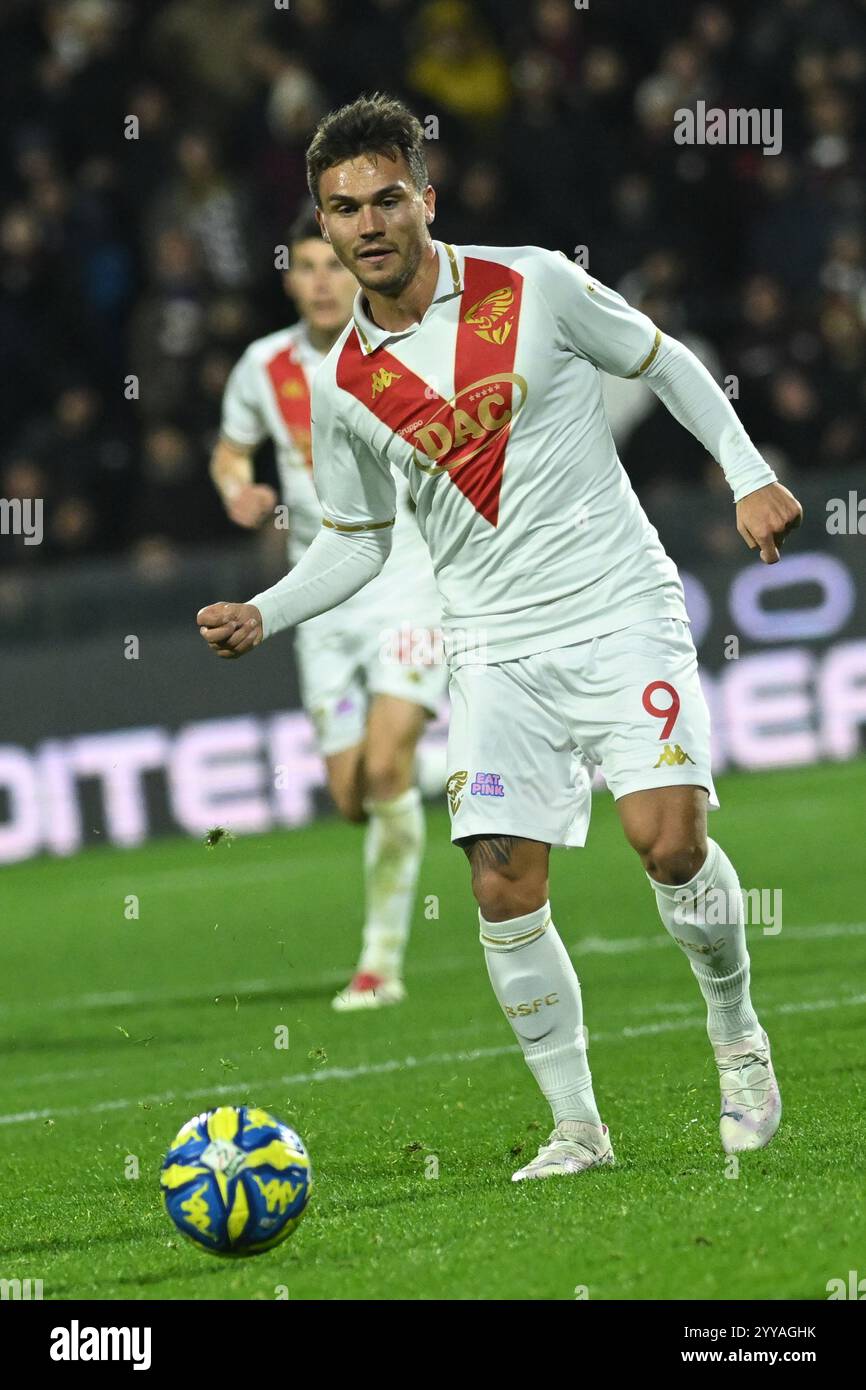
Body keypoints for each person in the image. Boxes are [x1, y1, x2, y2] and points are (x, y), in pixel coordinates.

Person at [198, 94, 803, 1180]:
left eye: (388, 198)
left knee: (667, 841)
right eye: (344, 209)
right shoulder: (344, 385)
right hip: (486, 647)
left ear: (426, 198)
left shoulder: (532, 283)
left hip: (618, 606)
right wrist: (267, 611)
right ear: (323, 230)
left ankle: (735, 1035)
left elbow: (659, 361)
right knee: (499, 884)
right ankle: (577, 1126)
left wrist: (747, 472)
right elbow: (357, 540)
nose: (368, 223)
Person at [210, 204, 445, 1012]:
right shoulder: (261, 365)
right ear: (290, 278)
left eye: (333, 266)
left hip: (408, 575)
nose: (321, 281)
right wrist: (238, 491)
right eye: (306, 266)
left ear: (356, 270)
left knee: (383, 770)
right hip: (322, 592)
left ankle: (380, 963)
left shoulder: (399, 348)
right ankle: (448, 766)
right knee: (353, 797)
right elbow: (232, 449)